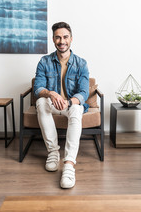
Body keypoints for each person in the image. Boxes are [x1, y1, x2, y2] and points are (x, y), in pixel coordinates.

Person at [33, 22, 89, 189]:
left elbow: (84, 93)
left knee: (77, 109)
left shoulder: (81, 63)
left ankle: (69, 164)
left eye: (65, 37)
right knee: (41, 101)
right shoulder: (44, 61)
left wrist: (69, 101)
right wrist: (50, 93)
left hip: (70, 105)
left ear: (71, 39)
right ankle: (53, 152)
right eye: (58, 37)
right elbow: (38, 88)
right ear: (53, 39)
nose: (62, 40)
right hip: (52, 103)